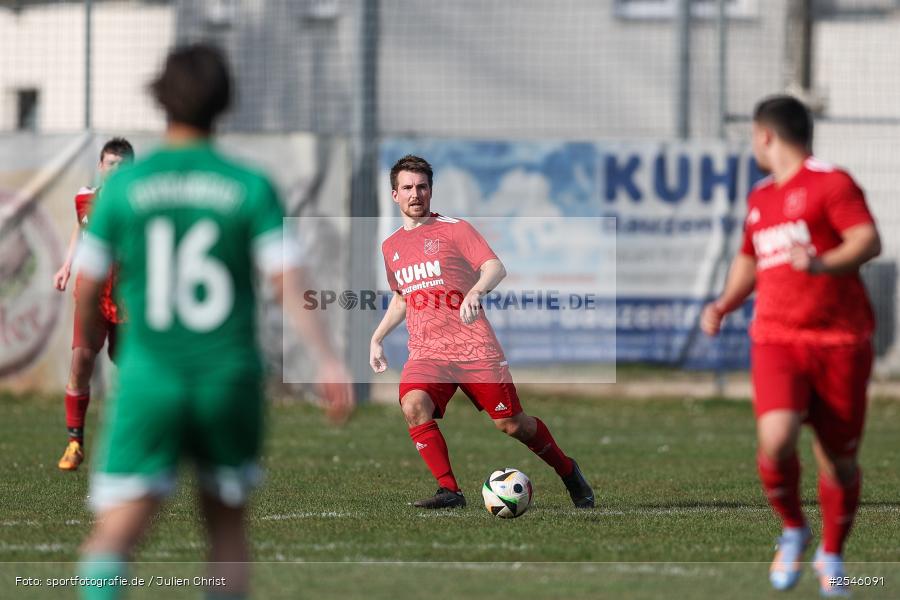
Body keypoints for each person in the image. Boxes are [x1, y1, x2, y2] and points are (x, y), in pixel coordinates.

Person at [74, 44, 353, 600]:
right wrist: (325, 358)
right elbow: (287, 279)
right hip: (227, 378)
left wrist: (87, 337)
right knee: (225, 530)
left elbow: (86, 284)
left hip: (150, 377)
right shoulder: (248, 184)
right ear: (225, 100)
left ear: (160, 98)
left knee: (116, 533)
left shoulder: (123, 188)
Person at [701, 95, 880, 597]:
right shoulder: (761, 197)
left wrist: (821, 263)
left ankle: (832, 554)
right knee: (777, 439)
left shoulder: (831, 182)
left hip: (840, 341)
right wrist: (724, 304)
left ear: (766, 136)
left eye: (753, 137)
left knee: (837, 461)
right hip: (777, 338)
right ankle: (795, 528)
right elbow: (749, 259)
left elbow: (867, 240)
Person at [370, 154, 594, 510]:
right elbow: (402, 297)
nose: (416, 194)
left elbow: (494, 267)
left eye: (422, 187)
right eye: (408, 188)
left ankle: (568, 471)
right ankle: (449, 491)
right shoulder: (391, 247)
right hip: (427, 351)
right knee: (413, 405)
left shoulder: (455, 230)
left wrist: (475, 291)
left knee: (512, 424)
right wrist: (378, 337)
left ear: (431, 191)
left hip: (473, 347)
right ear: (395, 194)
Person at [54, 137, 134, 471]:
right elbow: (81, 227)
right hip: (92, 291)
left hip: (128, 295)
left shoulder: (141, 203)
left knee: (129, 367)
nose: (116, 170)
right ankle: (75, 443)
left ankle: (132, 440)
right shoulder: (84, 198)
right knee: (81, 361)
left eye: (122, 165)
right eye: (110, 164)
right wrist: (66, 265)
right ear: (101, 167)